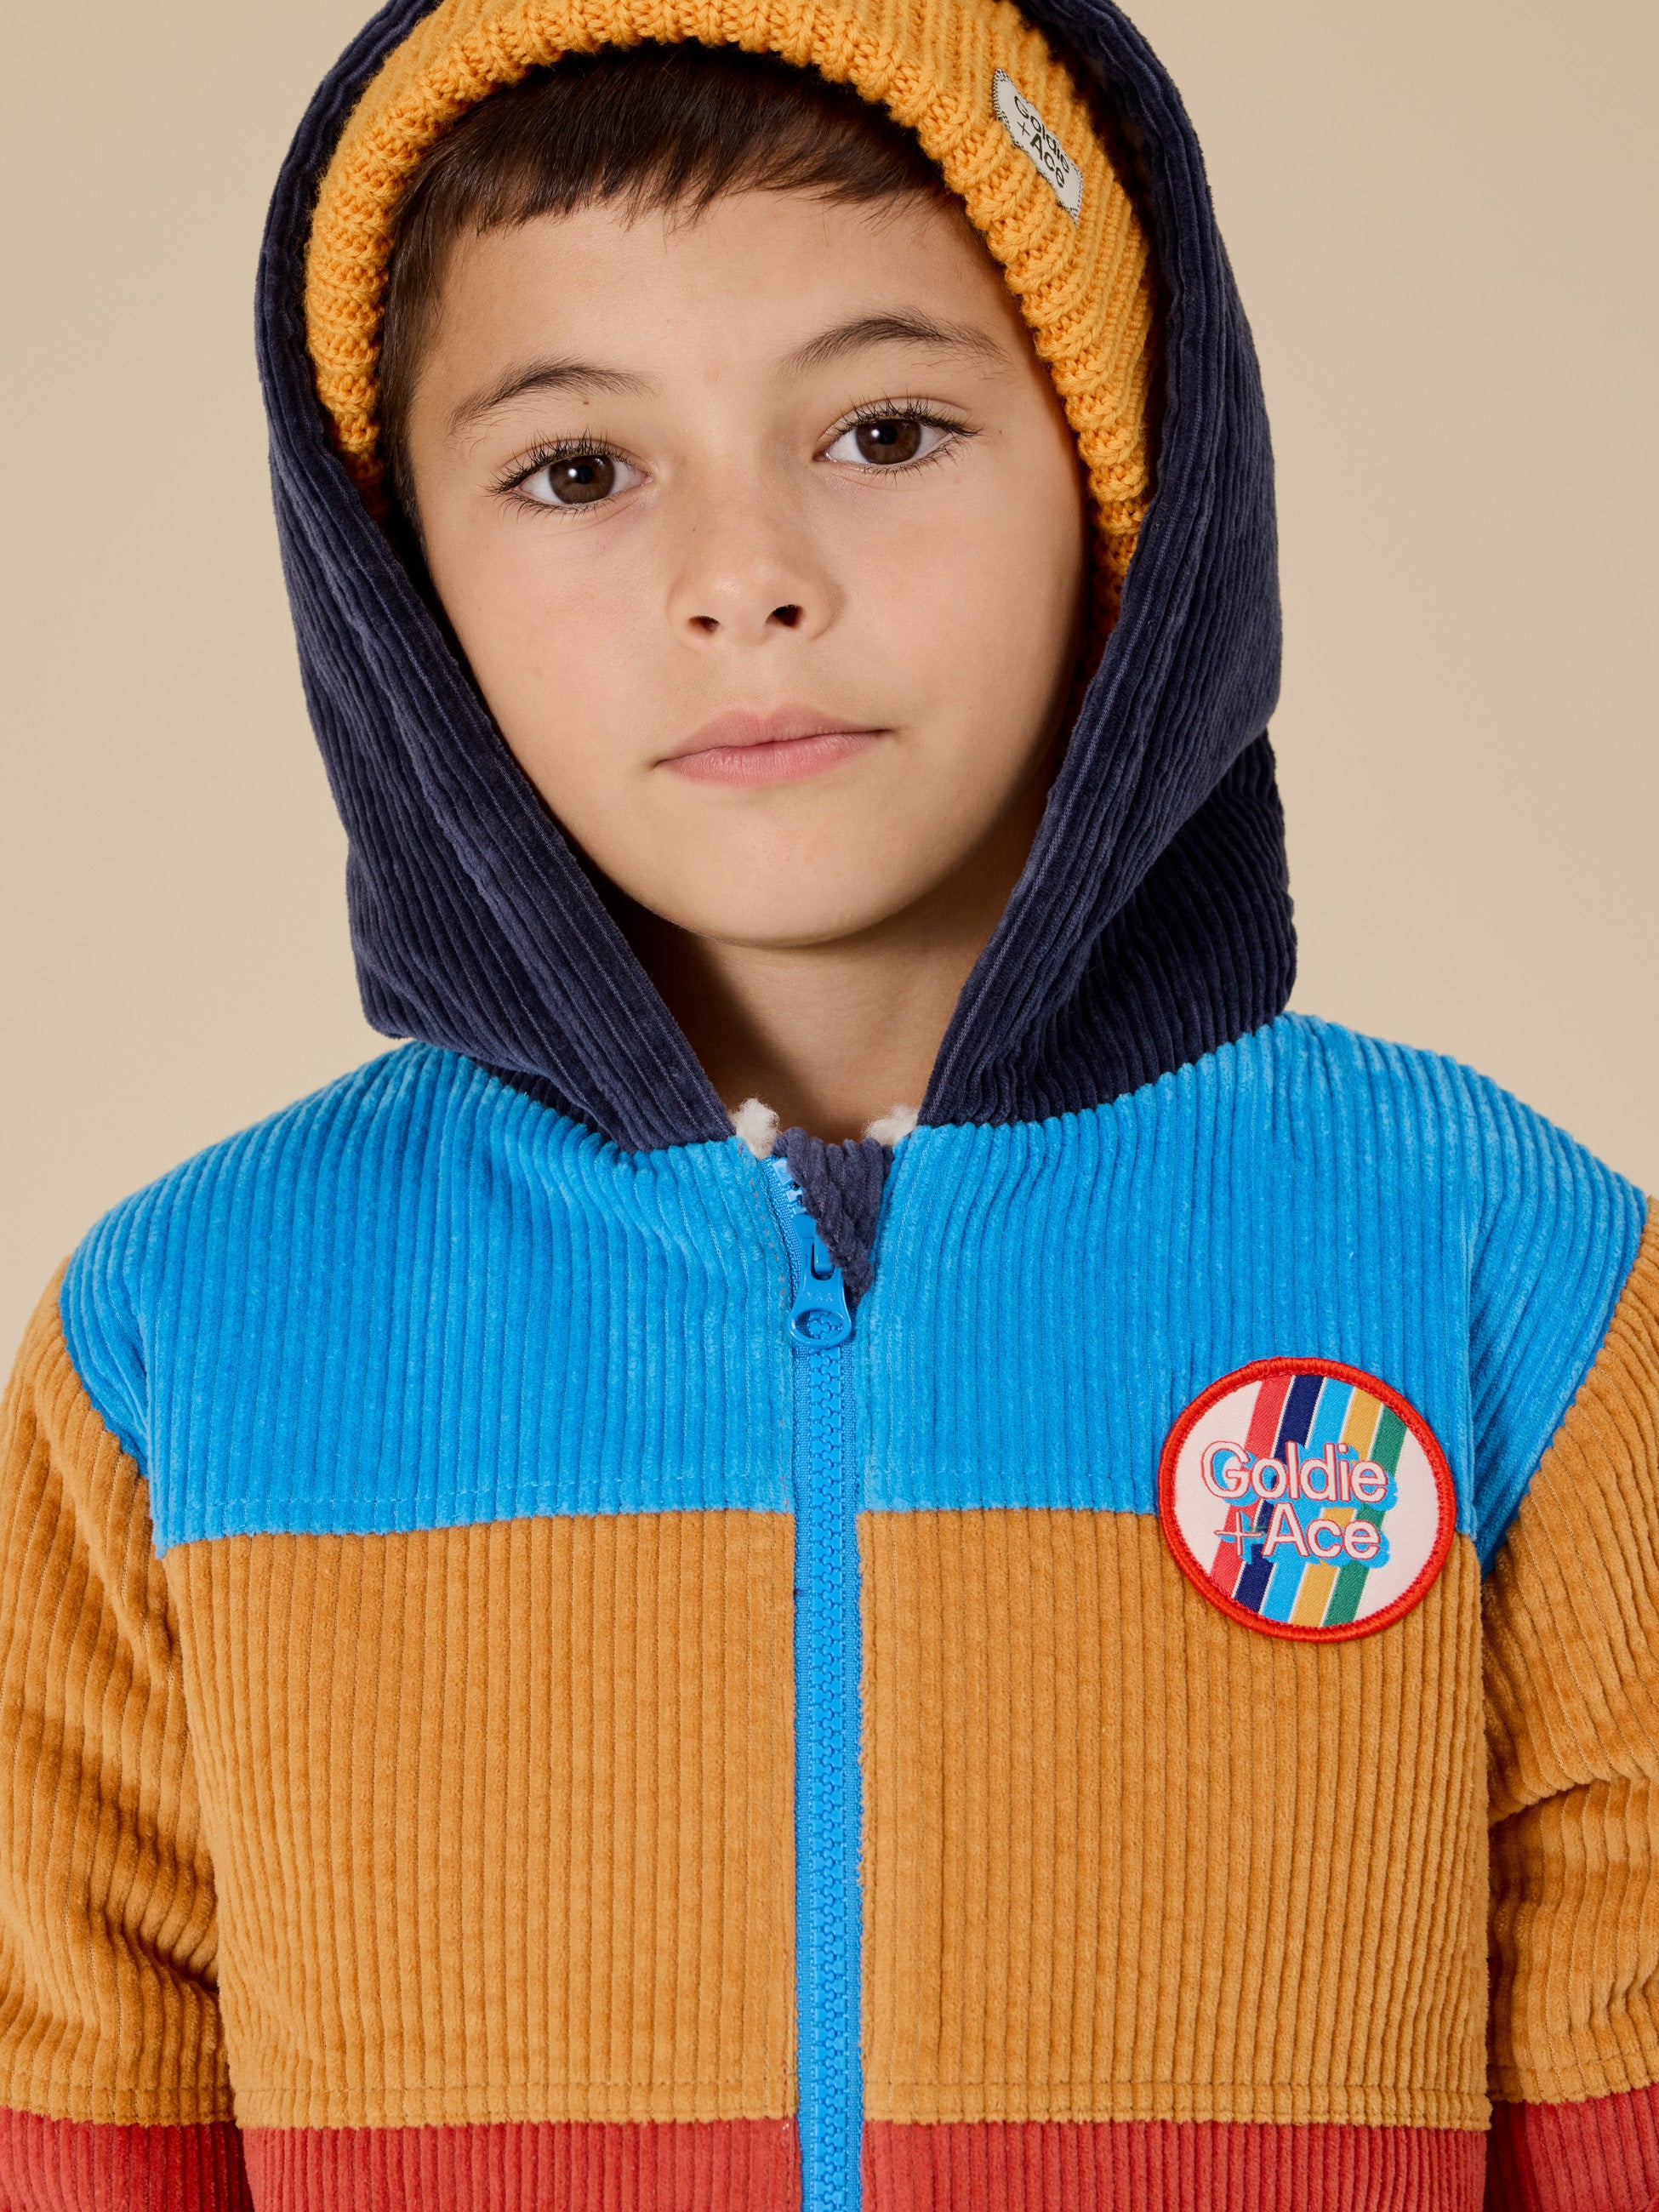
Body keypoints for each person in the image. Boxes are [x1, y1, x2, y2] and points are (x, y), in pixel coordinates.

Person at [0, 3, 1653, 2209]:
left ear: (1125, 483)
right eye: (576, 469)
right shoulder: (177, 1353)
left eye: (883, 430)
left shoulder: (1508, 1283)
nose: (746, 575)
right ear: (402, 578)